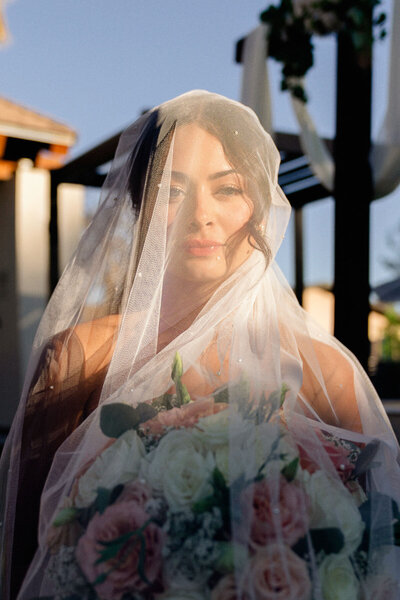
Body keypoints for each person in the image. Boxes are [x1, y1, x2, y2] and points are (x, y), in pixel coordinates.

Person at [1, 90, 399, 600]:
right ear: (141, 206)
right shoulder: (79, 358)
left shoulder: (328, 376)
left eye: (228, 189)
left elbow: (379, 552)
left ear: (261, 203)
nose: (200, 214)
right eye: (172, 190)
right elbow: (27, 554)